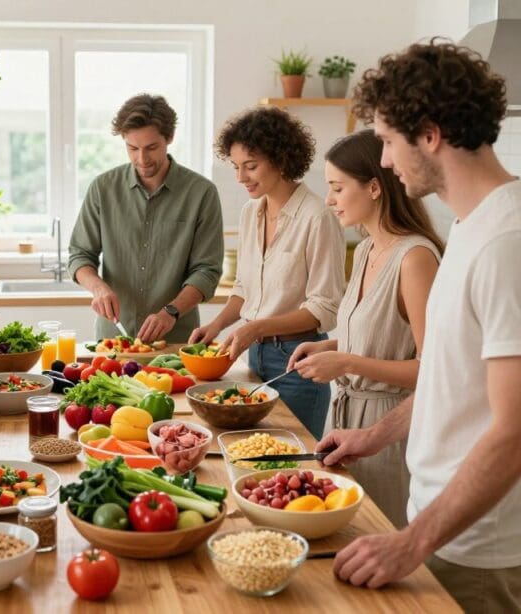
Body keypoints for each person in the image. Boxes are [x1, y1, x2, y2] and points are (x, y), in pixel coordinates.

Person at [316, 40, 521, 612]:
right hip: (440, 525)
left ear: (429, 134)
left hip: (476, 546)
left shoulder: (508, 244)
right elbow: (450, 381)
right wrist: (373, 436)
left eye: (386, 139)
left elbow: (514, 429)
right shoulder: (471, 229)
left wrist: (410, 543)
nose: (382, 160)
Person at [285, 129, 442, 528]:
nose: (329, 199)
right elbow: (384, 334)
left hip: (391, 431)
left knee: (380, 542)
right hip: (347, 420)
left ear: (374, 187)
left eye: (338, 188)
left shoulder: (415, 259)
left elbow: (433, 370)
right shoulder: (368, 247)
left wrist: (348, 361)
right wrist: (328, 347)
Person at [190, 107, 346, 439]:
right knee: (255, 453)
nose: (240, 177)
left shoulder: (318, 217)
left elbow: (324, 308)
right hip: (255, 356)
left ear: (281, 159)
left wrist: (257, 326)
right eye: (236, 167)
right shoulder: (251, 212)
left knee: (293, 457)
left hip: (298, 362)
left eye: (251, 166)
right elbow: (246, 286)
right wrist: (217, 325)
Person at [68, 93, 224, 344]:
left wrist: (170, 312)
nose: (142, 159)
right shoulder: (103, 188)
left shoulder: (201, 193)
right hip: (113, 340)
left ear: (169, 138)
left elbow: (207, 270)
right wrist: (98, 287)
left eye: (152, 147)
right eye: (132, 148)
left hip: (176, 340)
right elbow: (79, 254)